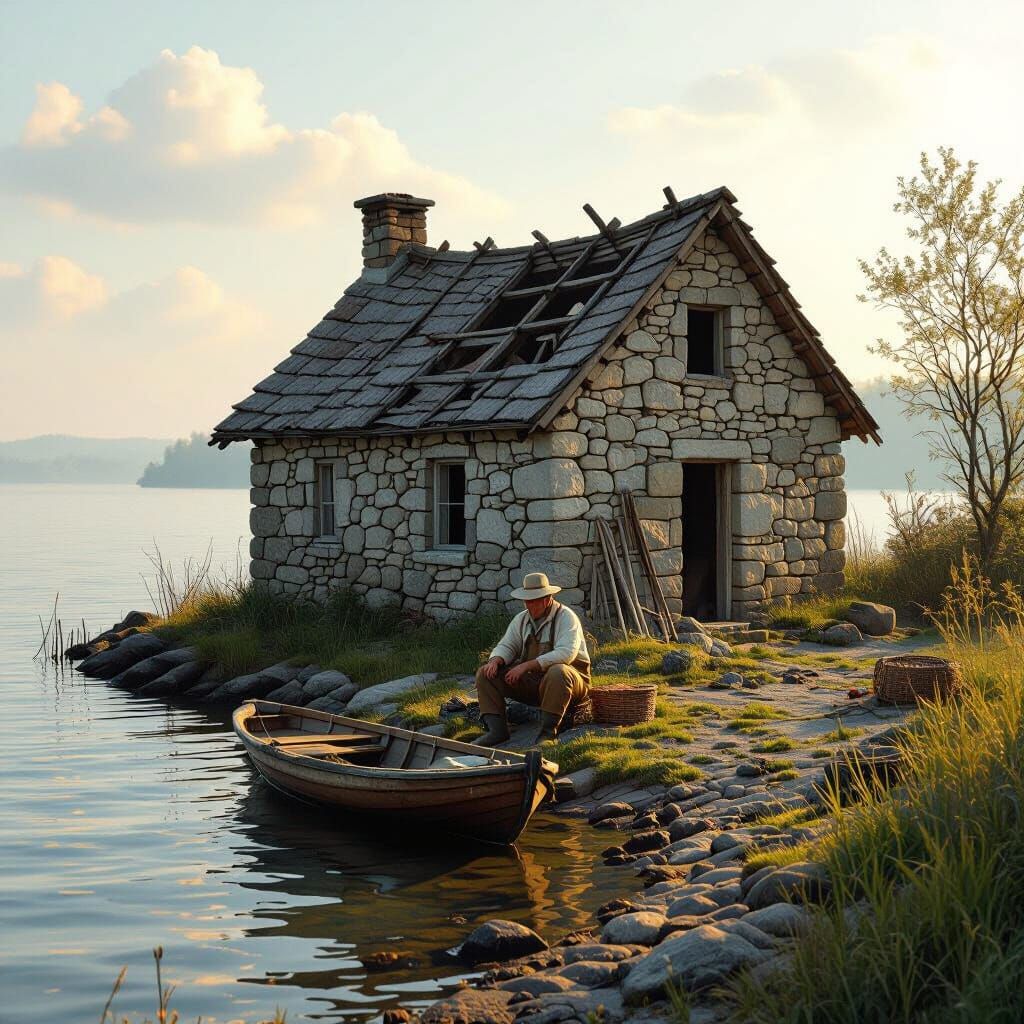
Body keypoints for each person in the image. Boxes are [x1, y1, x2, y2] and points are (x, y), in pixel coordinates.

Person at [473, 571, 591, 747]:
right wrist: (496, 660)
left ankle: (547, 734)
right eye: (526, 600)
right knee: (485, 673)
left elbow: (566, 653)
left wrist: (526, 665)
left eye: (533, 600)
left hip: (571, 684)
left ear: (547, 599)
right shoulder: (521, 619)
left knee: (558, 671)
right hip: (536, 683)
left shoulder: (567, 617)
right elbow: (507, 644)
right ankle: (497, 731)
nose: (529, 605)